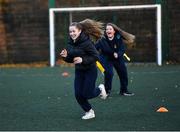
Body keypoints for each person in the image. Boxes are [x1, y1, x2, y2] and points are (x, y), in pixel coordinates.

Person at [60, 19, 107, 120]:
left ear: (80, 31)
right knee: (78, 94)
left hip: (90, 70)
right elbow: (71, 59)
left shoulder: (87, 43)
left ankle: (100, 89)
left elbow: (96, 56)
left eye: (74, 31)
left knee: (87, 94)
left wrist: (83, 59)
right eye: (70, 31)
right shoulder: (70, 43)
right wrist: (65, 56)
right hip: (79, 71)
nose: (72, 33)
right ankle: (89, 111)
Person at [95, 23, 135, 96]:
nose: (108, 31)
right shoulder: (102, 39)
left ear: (114, 31)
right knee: (109, 73)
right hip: (106, 58)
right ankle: (106, 91)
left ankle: (124, 91)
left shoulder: (118, 38)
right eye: (107, 29)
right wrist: (94, 56)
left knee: (123, 72)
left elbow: (122, 49)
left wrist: (118, 54)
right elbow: (94, 48)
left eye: (110, 29)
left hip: (117, 58)